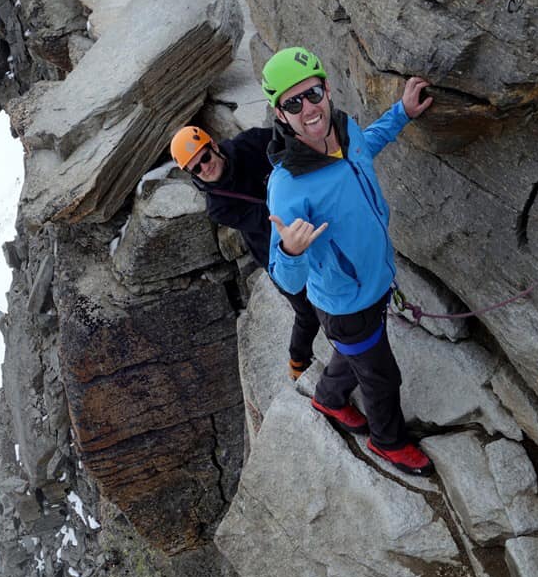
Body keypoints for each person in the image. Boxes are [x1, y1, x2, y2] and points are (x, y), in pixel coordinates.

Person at [262, 46, 434, 475]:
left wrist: (402, 113)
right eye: (293, 103)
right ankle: (387, 442)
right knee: (382, 377)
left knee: (356, 356)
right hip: (345, 304)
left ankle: (329, 399)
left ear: (327, 89)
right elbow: (285, 277)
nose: (309, 108)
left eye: (313, 94)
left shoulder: (345, 129)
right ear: (280, 115)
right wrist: (291, 251)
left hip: (372, 285)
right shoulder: (288, 184)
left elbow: (366, 146)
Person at [170, 124, 320, 379]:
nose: (205, 168)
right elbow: (267, 220)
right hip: (276, 252)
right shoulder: (218, 207)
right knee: (307, 313)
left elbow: (288, 145)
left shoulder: (250, 143)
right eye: (196, 168)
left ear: (214, 146)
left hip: (308, 218)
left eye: (205, 157)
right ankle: (298, 360)